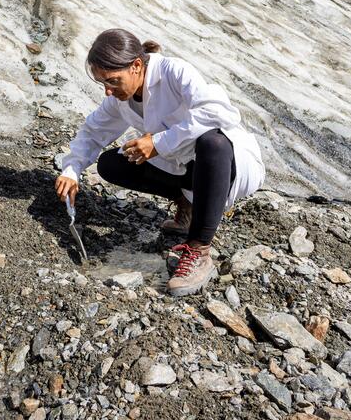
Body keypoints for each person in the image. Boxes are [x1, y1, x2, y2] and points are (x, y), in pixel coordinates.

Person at [54, 28, 265, 296]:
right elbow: (93, 131)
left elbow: (218, 113)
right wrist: (72, 170)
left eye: (113, 81)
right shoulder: (122, 98)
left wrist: (158, 143)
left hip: (229, 166)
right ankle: (188, 206)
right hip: (188, 170)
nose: (107, 91)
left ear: (137, 66)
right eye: (102, 83)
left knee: (212, 141)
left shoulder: (174, 72)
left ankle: (199, 249)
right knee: (111, 163)